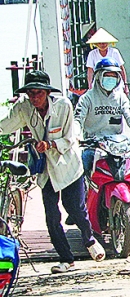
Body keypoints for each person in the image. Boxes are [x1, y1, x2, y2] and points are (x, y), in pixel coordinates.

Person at [0, 70, 105, 273]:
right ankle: (66, 259)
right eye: (31, 94)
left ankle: (89, 239)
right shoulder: (24, 108)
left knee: (74, 208)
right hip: (46, 169)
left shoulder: (63, 105)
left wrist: (50, 144)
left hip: (67, 166)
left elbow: (70, 138)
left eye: (38, 93)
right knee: (51, 215)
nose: (35, 98)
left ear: (47, 92)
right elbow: (5, 125)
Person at [74, 59, 130, 223]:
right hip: (93, 145)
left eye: (114, 76)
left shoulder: (121, 97)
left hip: (118, 146)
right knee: (78, 170)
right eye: (107, 75)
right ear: (98, 77)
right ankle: (79, 207)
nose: (110, 79)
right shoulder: (87, 98)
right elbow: (77, 120)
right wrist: (75, 136)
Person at [85, 28, 128, 93]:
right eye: (100, 43)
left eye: (104, 43)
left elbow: (121, 68)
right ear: (96, 44)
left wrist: (125, 84)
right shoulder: (92, 54)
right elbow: (90, 70)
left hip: (114, 81)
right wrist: (90, 86)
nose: (102, 45)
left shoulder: (114, 52)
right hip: (99, 82)